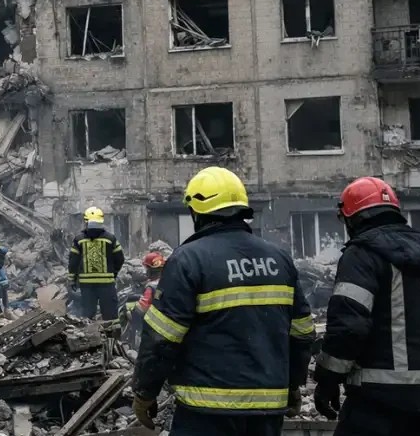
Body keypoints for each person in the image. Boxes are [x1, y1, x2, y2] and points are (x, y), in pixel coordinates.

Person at [132, 167, 315, 436]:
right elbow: (301, 332)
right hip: (267, 411)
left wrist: (145, 392)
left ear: (196, 212)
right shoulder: (279, 259)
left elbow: (162, 337)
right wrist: (293, 384)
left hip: (205, 413)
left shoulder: (188, 260)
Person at [312, 177, 420, 436]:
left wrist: (327, 381)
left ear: (353, 219)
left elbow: (348, 329)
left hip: (376, 404)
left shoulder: (361, 256)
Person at [67, 207, 123, 326]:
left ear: (86, 222)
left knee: (87, 317)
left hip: (87, 285)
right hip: (107, 284)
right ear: (101, 221)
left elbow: (73, 262)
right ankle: (113, 341)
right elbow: (120, 259)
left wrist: (72, 280)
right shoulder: (110, 239)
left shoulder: (79, 240)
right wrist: (114, 273)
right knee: (111, 318)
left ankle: (88, 340)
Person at [123, 252, 165, 348]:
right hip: (169, 320)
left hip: (154, 325)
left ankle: (133, 345)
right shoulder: (168, 281)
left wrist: (131, 311)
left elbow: (142, 309)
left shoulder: (151, 287)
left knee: (129, 312)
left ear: (150, 270)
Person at [0, 244, 10, 312]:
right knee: (4, 296)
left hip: (0, 283)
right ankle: (6, 309)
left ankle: (3, 310)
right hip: (3, 282)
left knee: (0, 297)